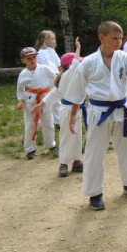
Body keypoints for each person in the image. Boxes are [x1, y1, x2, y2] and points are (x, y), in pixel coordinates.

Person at [65, 21, 127, 211]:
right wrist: (73, 115)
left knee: (126, 149)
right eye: (114, 38)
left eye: (120, 38)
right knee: (94, 152)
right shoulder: (88, 62)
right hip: (98, 111)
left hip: (121, 109)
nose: (119, 42)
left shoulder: (126, 58)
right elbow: (78, 91)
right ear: (101, 38)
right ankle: (94, 192)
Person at [43, 39, 84, 176]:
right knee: (66, 137)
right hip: (67, 111)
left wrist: (41, 104)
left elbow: (53, 94)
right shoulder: (68, 74)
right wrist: (78, 48)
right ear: (70, 65)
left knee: (77, 136)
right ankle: (63, 163)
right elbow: (54, 94)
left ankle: (76, 161)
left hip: (76, 111)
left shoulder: (72, 77)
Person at [15, 47, 56, 159]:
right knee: (30, 125)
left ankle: (51, 145)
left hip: (45, 98)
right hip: (31, 100)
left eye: (34, 57)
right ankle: (30, 149)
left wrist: (55, 89)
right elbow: (20, 89)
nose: (32, 60)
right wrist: (20, 101)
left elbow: (55, 78)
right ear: (23, 60)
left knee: (48, 123)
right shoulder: (23, 74)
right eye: (29, 58)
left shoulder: (44, 68)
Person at [35, 30, 61, 126]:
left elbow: (58, 62)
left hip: (54, 76)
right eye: (52, 39)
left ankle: (56, 120)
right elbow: (47, 66)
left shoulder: (51, 50)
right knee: (52, 98)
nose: (55, 41)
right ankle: (55, 121)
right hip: (48, 78)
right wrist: (56, 75)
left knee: (54, 98)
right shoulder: (41, 53)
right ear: (46, 40)